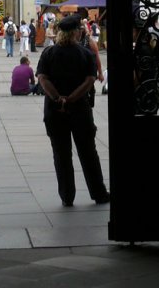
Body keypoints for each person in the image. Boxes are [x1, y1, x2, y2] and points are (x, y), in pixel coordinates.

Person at [36, 14, 110, 207]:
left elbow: (43, 78)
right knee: (88, 153)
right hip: (80, 109)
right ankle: (98, 193)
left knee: (61, 154)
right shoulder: (84, 53)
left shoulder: (48, 53)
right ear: (76, 32)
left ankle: (67, 196)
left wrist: (57, 98)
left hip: (54, 111)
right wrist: (71, 99)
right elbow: (89, 80)